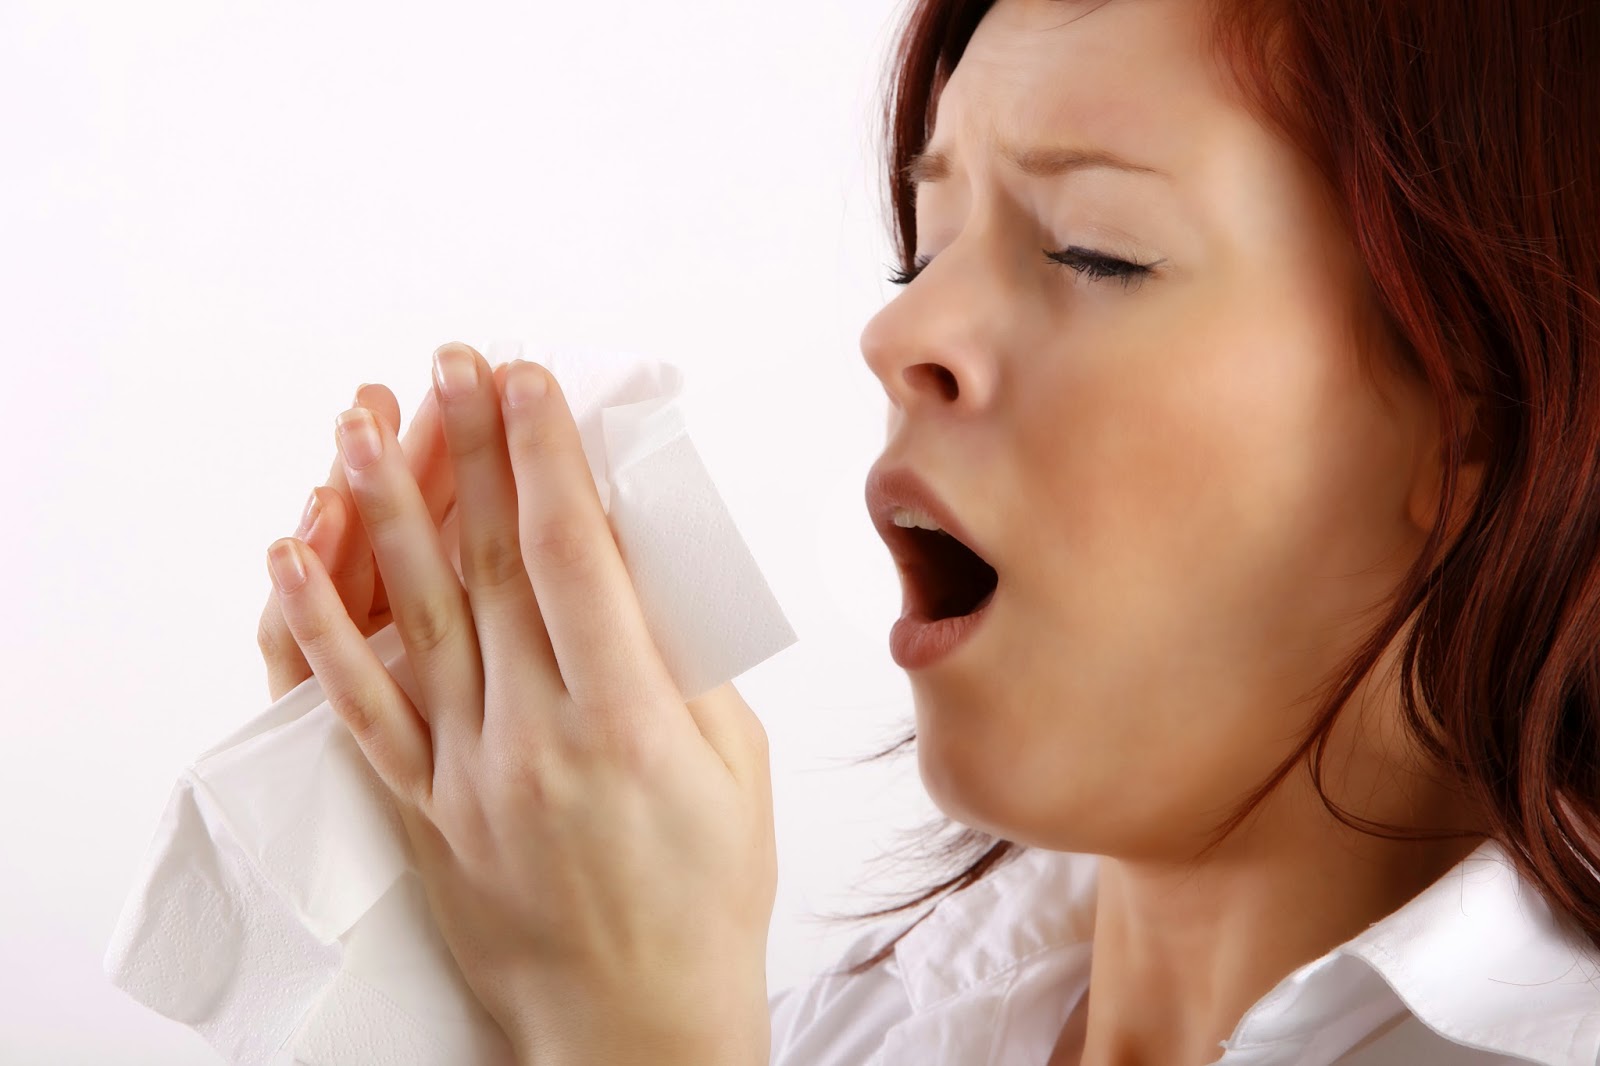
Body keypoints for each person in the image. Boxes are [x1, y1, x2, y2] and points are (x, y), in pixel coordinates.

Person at [255, 0, 1600, 1063]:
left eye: (1094, 250)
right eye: (926, 248)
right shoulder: (857, 1030)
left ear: (1472, 410)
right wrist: (479, 990)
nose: (899, 331)